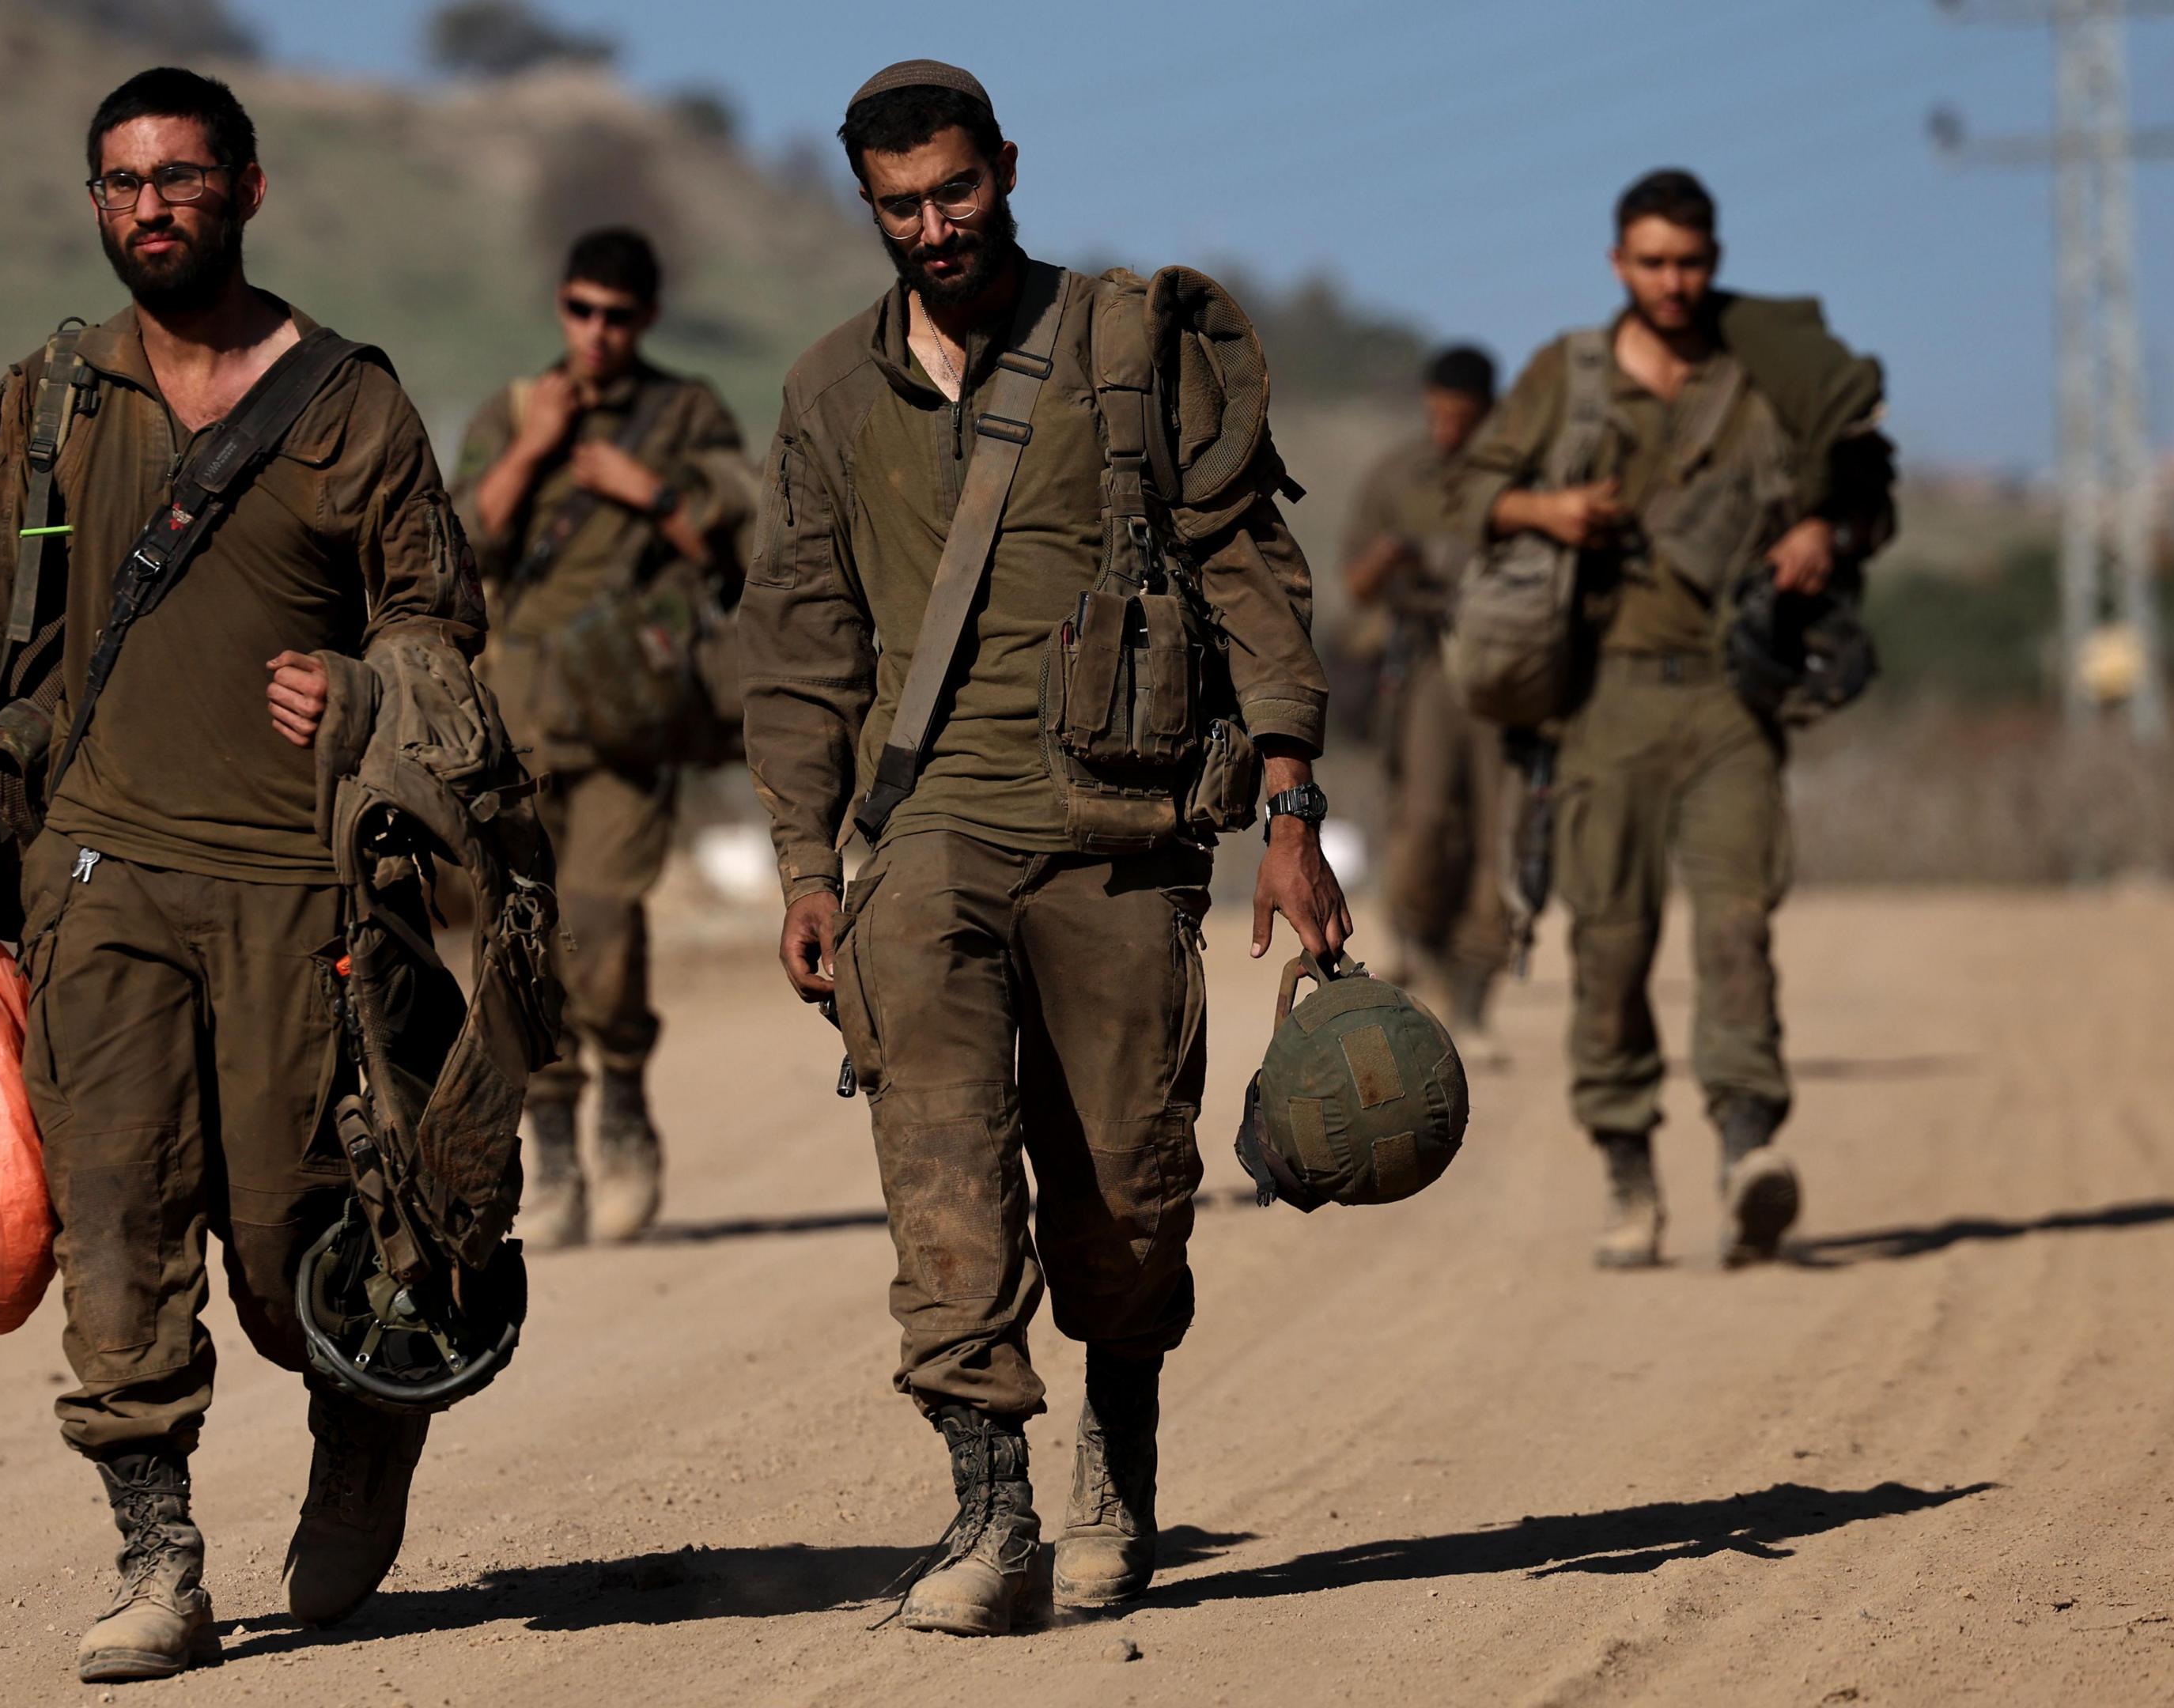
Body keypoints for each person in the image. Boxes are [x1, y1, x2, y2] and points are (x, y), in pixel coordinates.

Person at [0, 67, 490, 1683]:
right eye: (122, 185)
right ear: (98, 206)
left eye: (181, 178)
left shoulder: (351, 404)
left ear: (248, 190)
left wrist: (362, 692)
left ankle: (361, 1418)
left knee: (294, 1246)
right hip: (97, 880)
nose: (151, 207)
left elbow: (440, 624)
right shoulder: (50, 403)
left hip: (298, 891)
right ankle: (161, 1558)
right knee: (119, 1221)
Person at [739, 60, 1344, 1635]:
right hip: (926, 837)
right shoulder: (827, 396)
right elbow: (801, 645)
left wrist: (1289, 810)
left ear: (1008, 166)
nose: (936, 227)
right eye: (902, 207)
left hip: (1122, 833)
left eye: (958, 191)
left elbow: (1248, 570)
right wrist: (807, 863)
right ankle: (989, 1514)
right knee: (942, 1179)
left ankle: (1120, 1449)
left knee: (1128, 1203)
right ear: (864, 206)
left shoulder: (1129, 352)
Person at [1446, 168, 1894, 1270]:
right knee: (1611, 946)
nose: (1674, 282)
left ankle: (1748, 1150)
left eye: (1691, 262)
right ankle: (1628, 1172)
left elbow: (1864, 483)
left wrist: (1823, 537)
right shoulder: (1572, 375)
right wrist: (1547, 509)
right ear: (1618, 265)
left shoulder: (1763, 377)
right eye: (1652, 262)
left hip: (1733, 700)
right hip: (1605, 700)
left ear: (1715, 259)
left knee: (1738, 923)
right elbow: (1463, 498)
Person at [452, 228, 756, 1249]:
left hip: (627, 724)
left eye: (617, 317)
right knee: (523, 949)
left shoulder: (684, 415)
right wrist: (537, 449)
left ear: (648, 321)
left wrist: (648, 491)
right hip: (516, 731)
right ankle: (555, 1154)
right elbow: (458, 548)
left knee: (603, 930)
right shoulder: (512, 411)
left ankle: (621, 1109)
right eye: (581, 310)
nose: (596, 333)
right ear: (560, 308)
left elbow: (744, 540)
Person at [1337, 345, 1512, 1041]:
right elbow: (1353, 584)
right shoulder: (1396, 476)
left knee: (1500, 832)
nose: (1447, 429)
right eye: (1437, 414)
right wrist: (1392, 557)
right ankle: (1420, 945)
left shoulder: (1516, 480)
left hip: (1501, 668)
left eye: (1462, 417)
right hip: (1424, 667)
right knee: (1425, 817)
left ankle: (1476, 988)